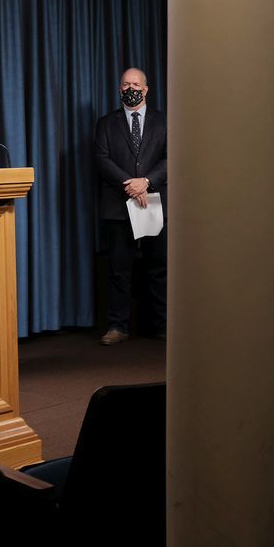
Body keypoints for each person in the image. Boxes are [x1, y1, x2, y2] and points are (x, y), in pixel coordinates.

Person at [94, 67, 167, 344]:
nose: (130, 88)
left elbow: (172, 157)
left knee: (158, 268)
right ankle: (118, 326)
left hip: (154, 201)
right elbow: (101, 159)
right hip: (118, 204)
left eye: (135, 84)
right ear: (119, 89)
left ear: (146, 89)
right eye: (125, 84)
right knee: (118, 269)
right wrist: (130, 183)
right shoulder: (105, 123)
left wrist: (146, 181)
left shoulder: (164, 121)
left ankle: (162, 325)